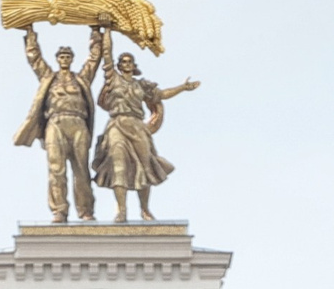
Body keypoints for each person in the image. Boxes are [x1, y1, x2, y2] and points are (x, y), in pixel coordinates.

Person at [14, 24, 107, 223]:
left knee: (81, 168)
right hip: (55, 123)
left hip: (77, 122)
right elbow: (35, 59)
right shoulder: (49, 77)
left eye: (67, 56)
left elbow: (93, 60)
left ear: (71, 59)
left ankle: (85, 210)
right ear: (57, 59)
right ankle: (59, 210)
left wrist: (96, 33)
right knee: (56, 169)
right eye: (61, 56)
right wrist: (30, 33)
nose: (64, 59)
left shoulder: (80, 79)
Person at [92, 49, 198, 221]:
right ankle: (121, 210)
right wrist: (107, 28)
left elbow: (161, 94)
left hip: (137, 127)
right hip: (117, 125)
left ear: (134, 66)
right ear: (118, 66)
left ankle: (144, 209)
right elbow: (106, 53)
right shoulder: (113, 79)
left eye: (129, 61)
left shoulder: (141, 85)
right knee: (118, 165)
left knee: (145, 164)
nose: (126, 64)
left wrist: (183, 87)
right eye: (123, 61)